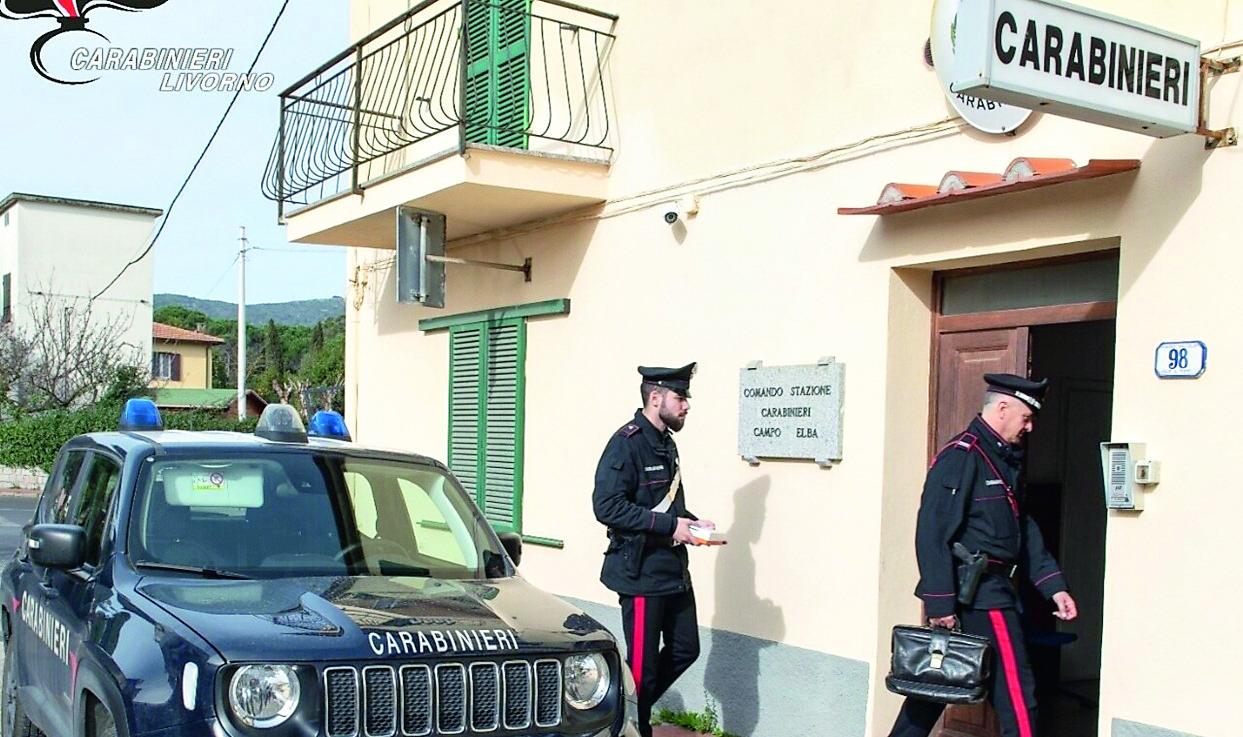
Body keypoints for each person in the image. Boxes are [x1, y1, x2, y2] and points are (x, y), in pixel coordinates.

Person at [889, 373, 1079, 737]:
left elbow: (1022, 529)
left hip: (990, 590)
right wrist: (940, 603)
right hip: (979, 595)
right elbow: (932, 532)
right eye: (1026, 417)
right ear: (1003, 408)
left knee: (935, 683)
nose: (1030, 427)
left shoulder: (1001, 458)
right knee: (1016, 691)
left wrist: (1053, 586)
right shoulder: (963, 457)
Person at [593, 363, 716, 737]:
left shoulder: (666, 443)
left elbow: (665, 504)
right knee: (643, 669)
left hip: (673, 571)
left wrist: (691, 524)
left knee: (686, 649)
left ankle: (629, 707)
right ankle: (635, 723)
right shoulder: (626, 443)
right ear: (656, 397)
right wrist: (670, 526)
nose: (686, 405)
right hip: (641, 574)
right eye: (680, 397)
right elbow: (607, 507)